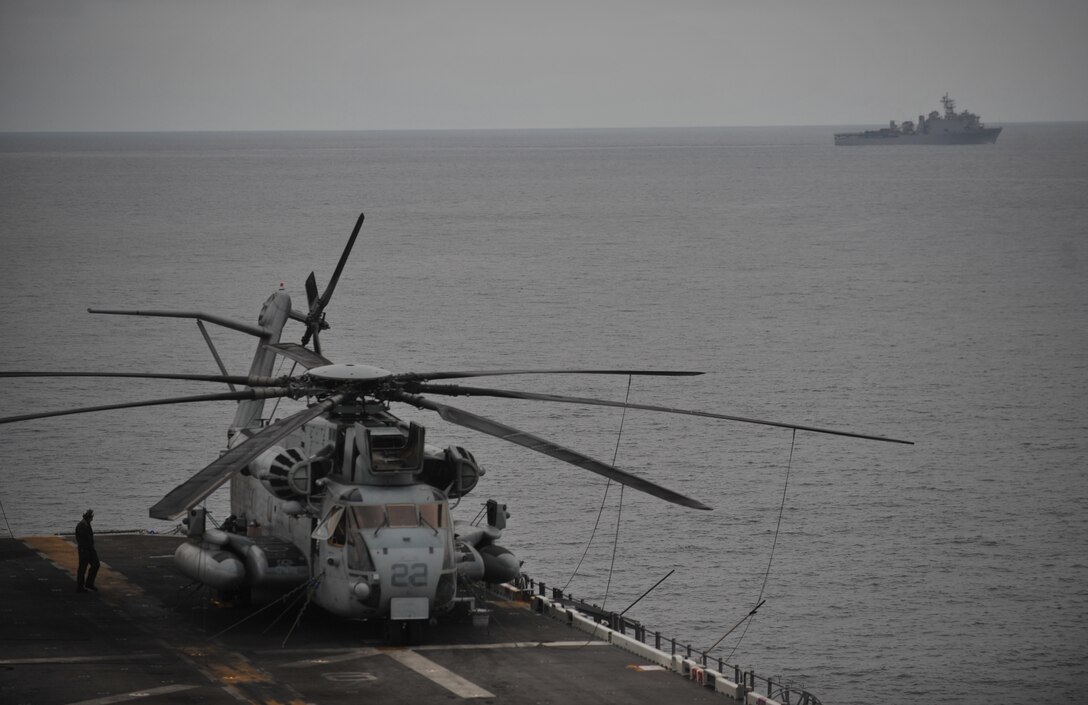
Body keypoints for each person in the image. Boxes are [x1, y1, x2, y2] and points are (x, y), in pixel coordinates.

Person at [75, 508, 100, 592]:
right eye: (91, 516)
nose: (92, 518)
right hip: (84, 550)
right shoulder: (82, 525)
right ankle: (80, 586)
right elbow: (84, 540)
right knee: (82, 568)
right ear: (88, 517)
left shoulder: (86, 524)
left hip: (89, 549)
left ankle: (89, 584)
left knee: (96, 564)